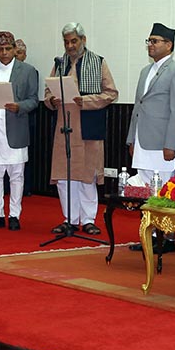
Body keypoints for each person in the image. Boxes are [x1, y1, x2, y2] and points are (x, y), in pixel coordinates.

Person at [44, 22, 118, 235]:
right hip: (64, 126)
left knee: (87, 175)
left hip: (88, 124)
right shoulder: (60, 63)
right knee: (64, 175)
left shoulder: (98, 62)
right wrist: (51, 100)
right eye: (66, 42)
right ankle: (69, 219)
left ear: (83, 40)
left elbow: (111, 93)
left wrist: (85, 101)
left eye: (74, 41)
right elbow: (47, 91)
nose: (70, 46)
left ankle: (87, 219)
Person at [127, 23, 175, 253]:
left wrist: (171, 143)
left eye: (155, 41)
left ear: (168, 45)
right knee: (145, 189)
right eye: (149, 41)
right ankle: (151, 234)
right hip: (143, 139)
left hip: (163, 142)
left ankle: (167, 237)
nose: (150, 45)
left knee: (162, 189)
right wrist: (131, 138)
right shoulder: (146, 71)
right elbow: (137, 106)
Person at [0, 32, 38, 231]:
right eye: (0, 49)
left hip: (16, 127)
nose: (4, 53)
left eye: (8, 49)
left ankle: (14, 215)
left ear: (14, 49)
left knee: (17, 175)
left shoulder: (28, 71)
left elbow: (33, 100)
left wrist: (19, 106)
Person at [15, 38, 38, 197]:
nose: (18, 56)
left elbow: (33, 98)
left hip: (26, 118)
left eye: (21, 53)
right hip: (4, 119)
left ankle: (26, 187)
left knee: (24, 158)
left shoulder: (31, 71)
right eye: (16, 52)